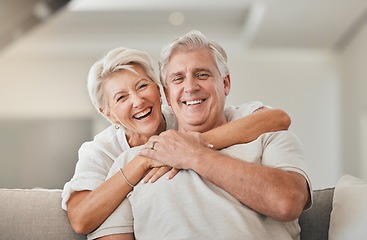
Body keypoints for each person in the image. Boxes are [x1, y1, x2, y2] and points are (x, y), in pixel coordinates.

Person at [61, 46, 292, 238]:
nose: (138, 101)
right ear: (109, 114)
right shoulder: (101, 151)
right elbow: (81, 219)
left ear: (160, 90)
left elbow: (276, 118)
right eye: (121, 97)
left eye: (142, 86)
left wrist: (188, 146)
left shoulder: (188, 114)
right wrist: (144, 161)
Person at [104, 30, 312, 239]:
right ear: (166, 94)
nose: (190, 87)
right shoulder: (130, 163)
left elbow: (288, 203)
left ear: (225, 83)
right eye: (178, 79)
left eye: (202, 74)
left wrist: (194, 155)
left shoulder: (268, 136)